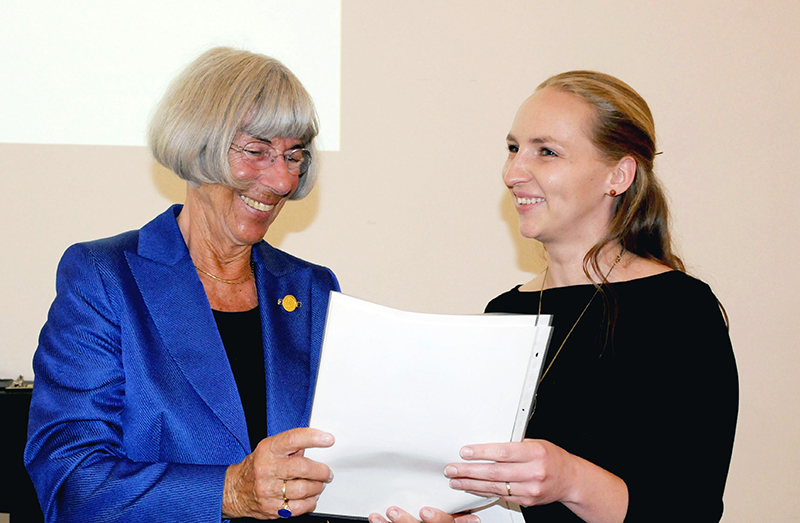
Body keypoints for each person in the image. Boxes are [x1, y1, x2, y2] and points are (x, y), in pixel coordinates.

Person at [371, 72, 738, 523]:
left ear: (618, 175)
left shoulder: (679, 312)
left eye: (546, 152)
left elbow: (689, 511)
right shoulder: (503, 313)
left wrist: (571, 479)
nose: (512, 173)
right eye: (513, 148)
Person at [25, 47, 341, 522]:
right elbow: (71, 481)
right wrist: (229, 491)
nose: (281, 180)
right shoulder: (105, 278)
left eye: (294, 156)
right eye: (256, 151)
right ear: (198, 146)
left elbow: (343, 466)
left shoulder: (313, 290)